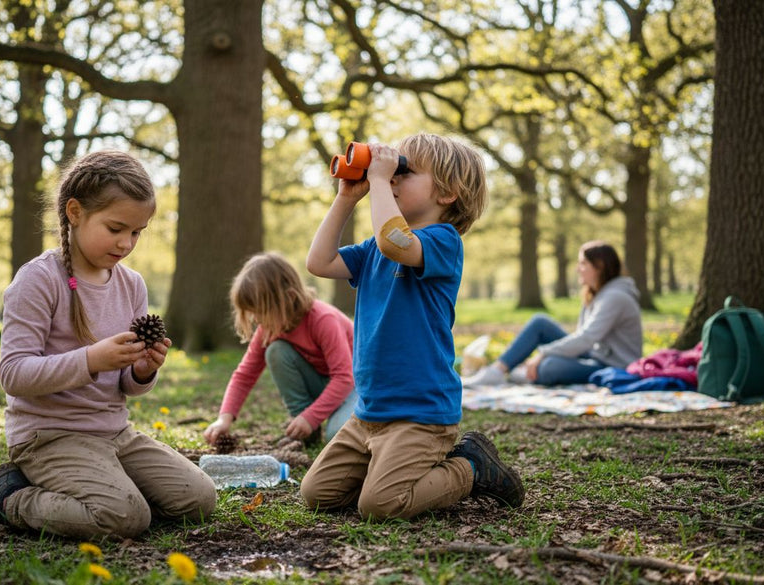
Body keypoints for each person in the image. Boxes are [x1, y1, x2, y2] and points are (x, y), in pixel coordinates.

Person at [0, 150, 216, 540]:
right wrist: (91, 359)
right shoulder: (38, 280)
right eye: (116, 228)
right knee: (126, 518)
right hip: (49, 436)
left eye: (136, 232)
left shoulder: (131, 284)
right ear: (74, 212)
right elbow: (13, 374)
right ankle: (9, 501)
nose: (126, 243)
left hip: (114, 433)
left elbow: (126, 386)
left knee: (199, 499)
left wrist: (143, 369)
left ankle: (107, 491)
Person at [301, 133, 525, 521]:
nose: (391, 180)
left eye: (404, 172)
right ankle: (386, 467)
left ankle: (471, 467)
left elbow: (395, 243)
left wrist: (377, 182)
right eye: (392, 172)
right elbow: (319, 263)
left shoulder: (442, 241)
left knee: (380, 506)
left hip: (420, 415)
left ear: (448, 193)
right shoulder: (375, 247)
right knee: (317, 494)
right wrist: (346, 198)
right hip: (369, 412)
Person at [202, 251, 359, 445]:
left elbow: (344, 378)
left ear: (288, 298)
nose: (256, 319)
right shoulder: (270, 328)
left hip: (357, 386)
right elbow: (244, 375)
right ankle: (304, 430)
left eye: (261, 312)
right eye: (252, 313)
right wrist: (224, 418)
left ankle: (314, 421)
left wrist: (311, 417)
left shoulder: (322, 319)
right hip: (326, 384)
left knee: (337, 435)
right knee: (276, 351)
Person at [461, 241, 643, 387]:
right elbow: (583, 340)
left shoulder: (615, 297)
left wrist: (543, 354)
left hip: (613, 366)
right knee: (540, 323)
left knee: (549, 366)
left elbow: (586, 338)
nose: (577, 269)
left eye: (583, 263)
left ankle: (520, 372)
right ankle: (498, 370)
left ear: (599, 266)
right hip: (595, 356)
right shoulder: (597, 294)